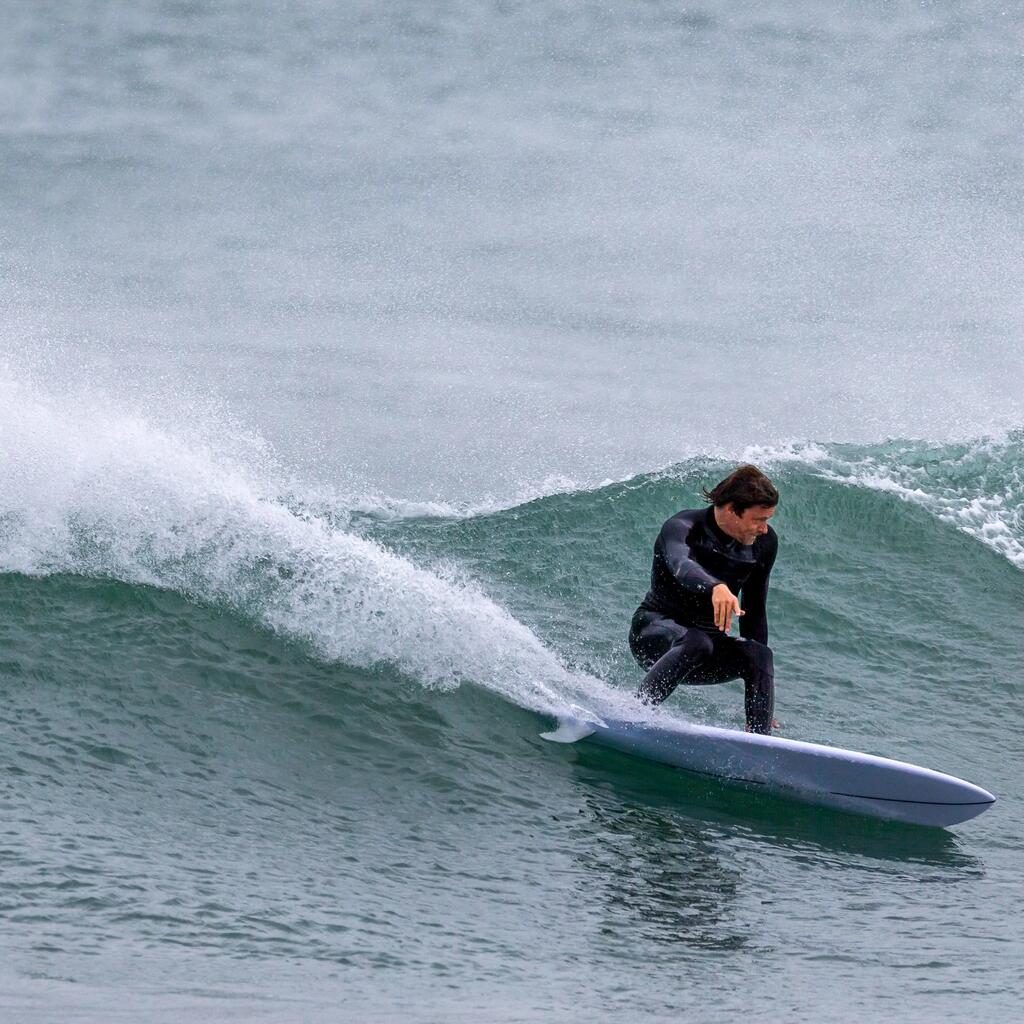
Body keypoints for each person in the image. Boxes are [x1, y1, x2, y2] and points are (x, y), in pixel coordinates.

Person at [629, 465, 779, 734]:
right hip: (654, 636)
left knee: (760, 654)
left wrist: (761, 698)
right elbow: (680, 564)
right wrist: (715, 586)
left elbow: (754, 610)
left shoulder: (764, 545)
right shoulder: (683, 527)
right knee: (696, 641)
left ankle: (760, 739)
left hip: (705, 651)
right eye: (759, 519)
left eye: (767, 519)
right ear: (732, 509)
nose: (764, 529)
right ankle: (633, 714)